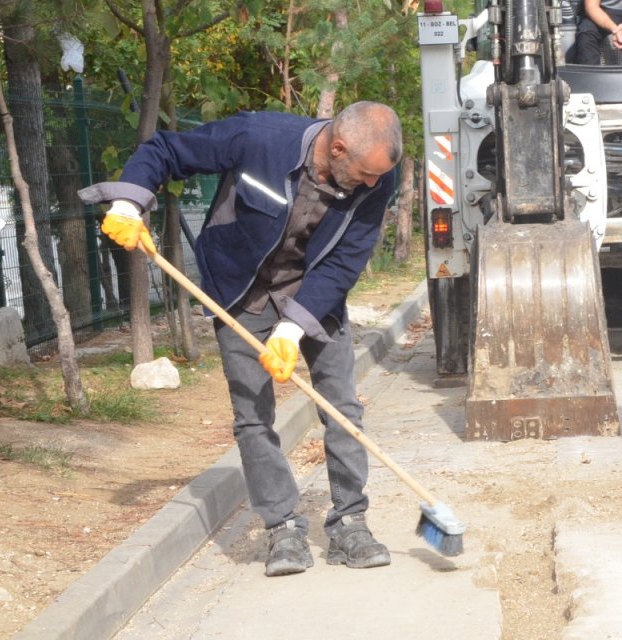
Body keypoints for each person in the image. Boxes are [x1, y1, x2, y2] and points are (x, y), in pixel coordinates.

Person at [79, 102, 403, 576]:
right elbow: (167, 150)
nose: (374, 184)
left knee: (341, 406)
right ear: (337, 148)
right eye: (365, 172)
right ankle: (283, 527)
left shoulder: (380, 179)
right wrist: (129, 203)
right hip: (241, 291)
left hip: (315, 293)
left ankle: (349, 522)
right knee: (253, 416)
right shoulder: (258, 138)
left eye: (379, 176)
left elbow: (344, 262)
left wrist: (292, 330)